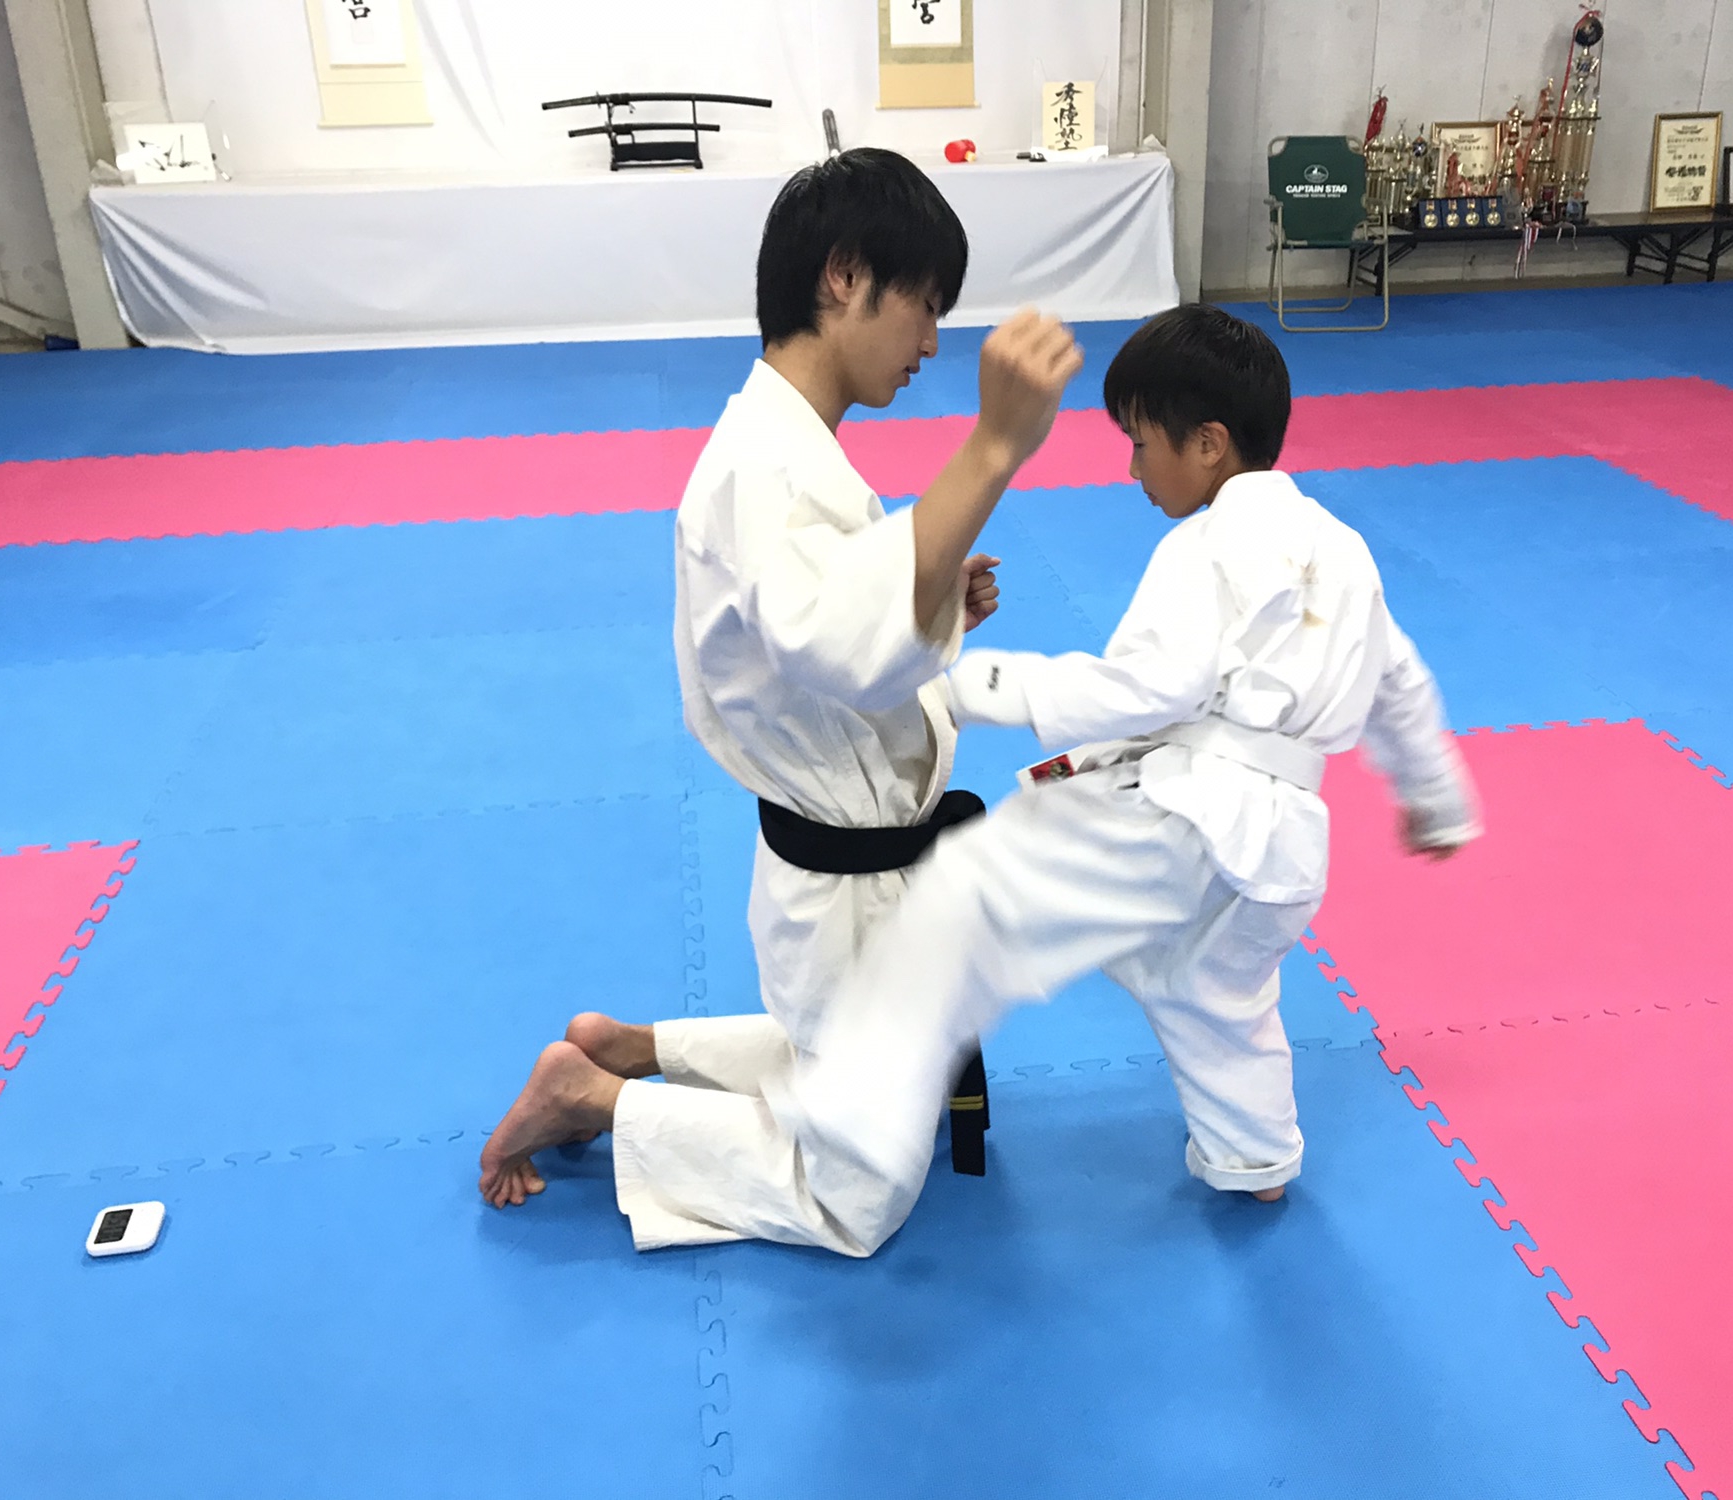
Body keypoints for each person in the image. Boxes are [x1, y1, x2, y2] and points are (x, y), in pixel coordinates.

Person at [481, 302, 1477, 1257]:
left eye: (1141, 445)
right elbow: (1399, 683)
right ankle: (1257, 1161)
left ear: (1208, 444)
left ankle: (712, 1104)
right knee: (1222, 1001)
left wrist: (980, 688)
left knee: (971, 900)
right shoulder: (1347, 556)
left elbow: (1149, 687)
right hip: (1285, 857)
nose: (1132, 468)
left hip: (1185, 822)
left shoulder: (1207, 544)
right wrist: (1435, 798)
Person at [477, 147, 1083, 1243]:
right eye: (924, 306)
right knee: (855, 1196)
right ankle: (595, 1098)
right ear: (844, 276)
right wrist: (994, 445)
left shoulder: (791, 448)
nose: (931, 345)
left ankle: (630, 1049)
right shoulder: (763, 466)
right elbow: (849, 647)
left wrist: (940, 601)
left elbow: (840, 620)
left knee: (856, 1063)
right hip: (838, 883)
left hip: (859, 865)